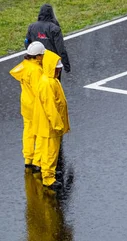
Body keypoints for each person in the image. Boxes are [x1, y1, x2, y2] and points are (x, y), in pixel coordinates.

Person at [32, 50, 70, 191]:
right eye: (57, 68)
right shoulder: (49, 84)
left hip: (43, 123)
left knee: (43, 148)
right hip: (50, 125)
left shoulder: (47, 80)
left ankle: (40, 165)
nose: (59, 70)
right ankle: (48, 178)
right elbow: (51, 108)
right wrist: (58, 125)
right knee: (51, 151)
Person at [9, 41, 45, 171]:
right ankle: (38, 160)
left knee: (28, 131)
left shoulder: (25, 66)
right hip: (36, 105)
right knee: (41, 132)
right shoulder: (36, 70)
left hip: (26, 104)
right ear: (38, 56)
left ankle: (28, 157)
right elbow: (39, 90)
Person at [25, 4, 70, 77]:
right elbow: (61, 49)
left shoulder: (32, 27)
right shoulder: (55, 28)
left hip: (37, 62)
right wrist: (66, 65)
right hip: (52, 63)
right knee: (53, 85)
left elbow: (27, 42)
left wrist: (31, 56)